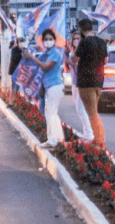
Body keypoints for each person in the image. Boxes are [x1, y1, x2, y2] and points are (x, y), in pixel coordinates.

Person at [23, 28, 65, 148]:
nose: (48, 41)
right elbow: (34, 63)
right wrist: (26, 54)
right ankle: (57, 137)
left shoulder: (55, 53)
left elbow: (45, 66)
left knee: (50, 112)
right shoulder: (45, 54)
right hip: (48, 87)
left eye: (50, 39)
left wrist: (31, 57)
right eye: (45, 39)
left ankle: (52, 140)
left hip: (55, 86)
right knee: (51, 112)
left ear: (54, 40)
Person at [70, 18, 107, 147]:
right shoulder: (101, 42)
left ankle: (99, 141)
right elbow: (105, 60)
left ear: (80, 29)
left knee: (91, 113)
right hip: (98, 81)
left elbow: (75, 59)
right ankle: (99, 138)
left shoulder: (84, 43)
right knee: (94, 111)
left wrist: (72, 56)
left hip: (86, 82)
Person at [66, 29, 95, 142]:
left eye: (79, 38)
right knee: (80, 110)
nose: (76, 40)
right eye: (75, 39)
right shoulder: (71, 51)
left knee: (80, 109)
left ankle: (89, 135)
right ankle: (86, 133)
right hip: (75, 84)